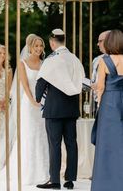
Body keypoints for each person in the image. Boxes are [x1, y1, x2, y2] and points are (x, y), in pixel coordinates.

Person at [35, 29, 85, 190]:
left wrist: (37, 98)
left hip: (54, 109)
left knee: (54, 144)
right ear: (64, 40)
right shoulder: (74, 59)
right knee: (71, 143)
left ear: (52, 42)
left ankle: (55, 181)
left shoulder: (51, 59)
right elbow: (82, 82)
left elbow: (41, 82)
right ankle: (70, 180)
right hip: (71, 109)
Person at [10, 35, 49, 185]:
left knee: (43, 135)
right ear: (29, 47)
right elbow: (24, 84)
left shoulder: (44, 63)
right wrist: (32, 100)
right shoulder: (22, 63)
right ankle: (28, 172)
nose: (39, 49)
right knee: (30, 134)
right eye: (36, 46)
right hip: (29, 103)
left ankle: (44, 171)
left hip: (44, 103)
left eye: (41, 46)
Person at [91, 29, 123, 191]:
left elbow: (100, 87)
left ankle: (105, 183)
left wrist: (94, 89)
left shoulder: (105, 61)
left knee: (106, 144)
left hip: (109, 103)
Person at [91, 31, 111, 113]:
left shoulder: (118, 60)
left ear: (109, 41)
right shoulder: (96, 60)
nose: (97, 44)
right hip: (97, 102)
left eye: (100, 41)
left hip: (110, 102)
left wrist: (100, 85)